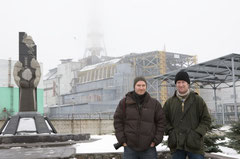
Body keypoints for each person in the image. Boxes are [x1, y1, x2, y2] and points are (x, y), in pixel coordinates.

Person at [114, 76, 165, 159]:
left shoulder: (154, 104)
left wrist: (156, 141)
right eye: (138, 85)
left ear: (146, 87)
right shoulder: (124, 102)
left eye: (143, 85)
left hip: (149, 148)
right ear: (134, 86)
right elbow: (118, 121)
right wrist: (122, 141)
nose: (141, 88)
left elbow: (161, 123)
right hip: (130, 148)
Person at [163, 71, 211, 159]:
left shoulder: (197, 100)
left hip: (194, 144)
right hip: (176, 144)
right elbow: (163, 119)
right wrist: (170, 131)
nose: (181, 85)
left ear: (188, 84)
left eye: (183, 82)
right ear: (176, 84)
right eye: (178, 82)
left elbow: (206, 120)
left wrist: (197, 133)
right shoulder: (170, 102)